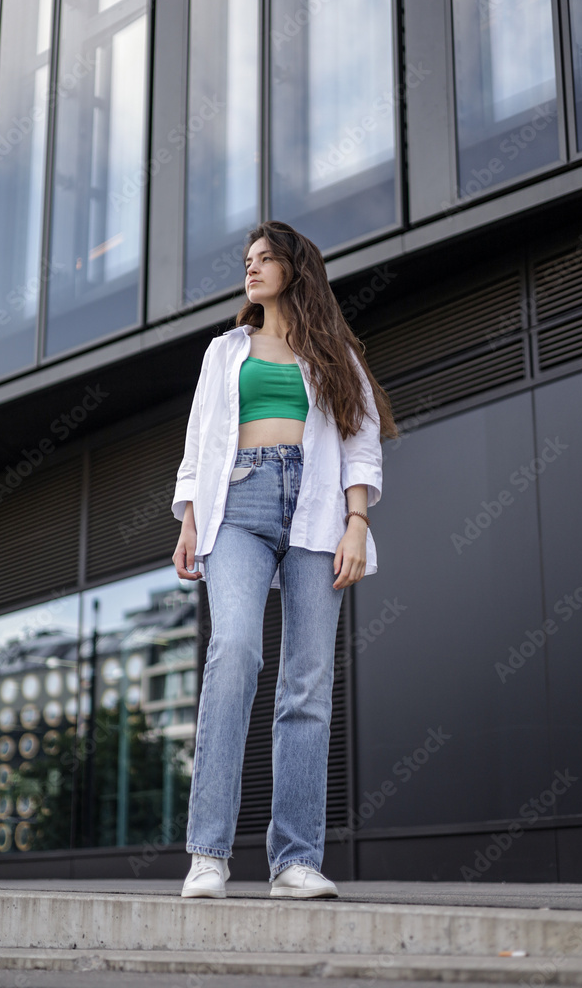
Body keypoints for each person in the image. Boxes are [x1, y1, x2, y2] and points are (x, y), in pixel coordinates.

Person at [171, 220, 398, 900]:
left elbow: (359, 445)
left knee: (306, 682)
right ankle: (207, 853)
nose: (252, 267)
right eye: (247, 259)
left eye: (266, 258)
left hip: (317, 511)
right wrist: (187, 519)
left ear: (296, 269)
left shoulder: (333, 353)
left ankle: (294, 861)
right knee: (234, 652)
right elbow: (199, 442)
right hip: (235, 505)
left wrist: (357, 523)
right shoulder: (225, 350)